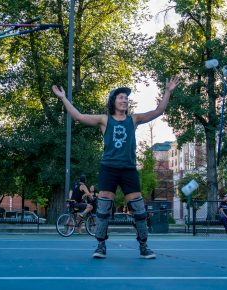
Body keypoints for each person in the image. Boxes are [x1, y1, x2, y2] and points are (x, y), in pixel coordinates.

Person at [52, 76, 179, 259]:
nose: (125, 100)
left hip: (128, 169)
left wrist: (168, 91)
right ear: (113, 101)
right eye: (121, 97)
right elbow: (78, 117)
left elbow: (159, 111)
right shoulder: (104, 120)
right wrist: (64, 98)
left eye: (126, 98)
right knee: (103, 209)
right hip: (108, 168)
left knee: (139, 210)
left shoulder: (134, 119)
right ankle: (101, 246)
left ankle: (144, 246)